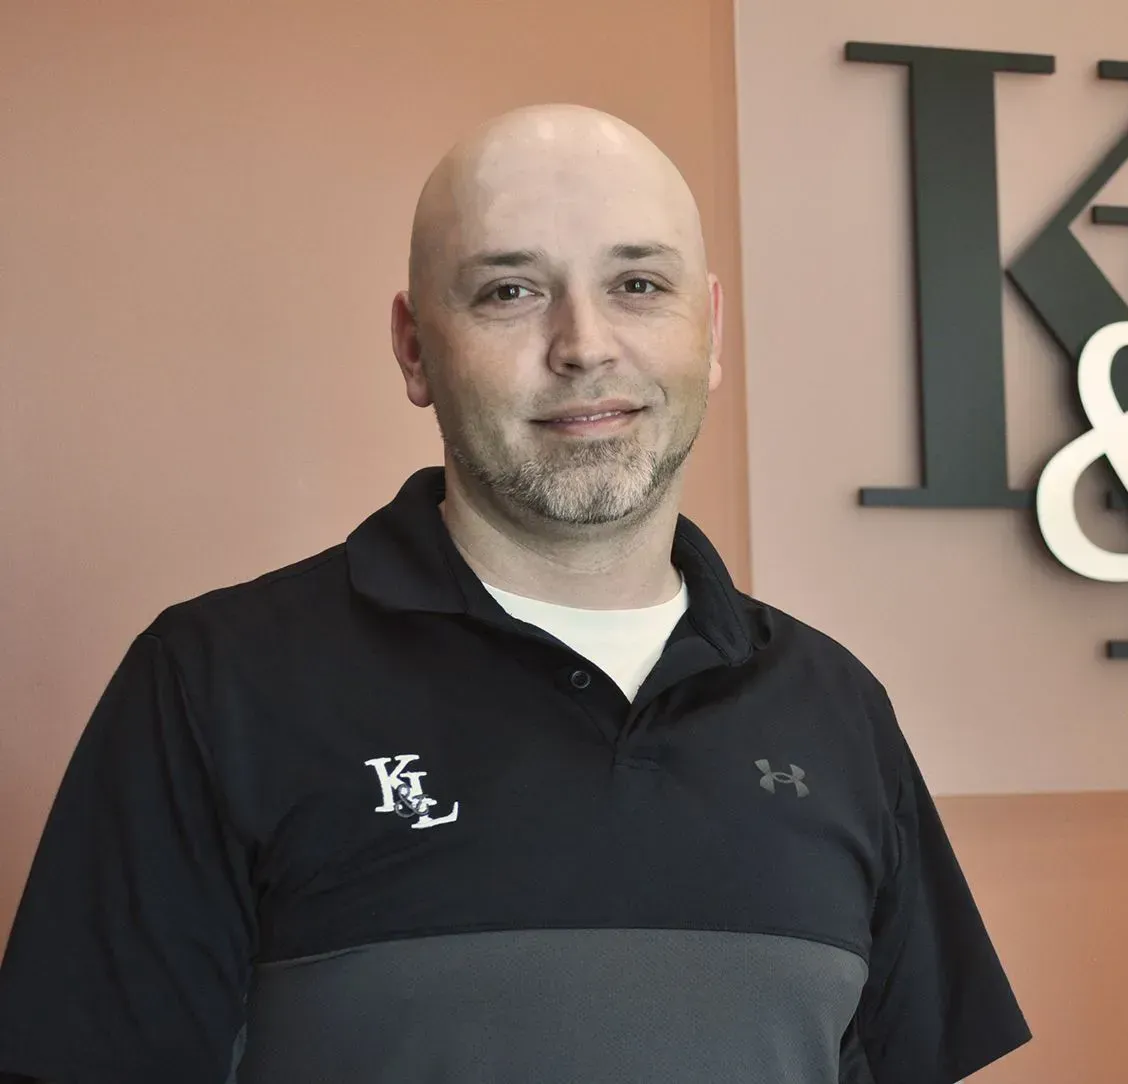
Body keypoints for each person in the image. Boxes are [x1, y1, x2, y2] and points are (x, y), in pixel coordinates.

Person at [0, 105, 1030, 1083]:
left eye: (637, 285)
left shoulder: (834, 706)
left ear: (710, 331)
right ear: (414, 346)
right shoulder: (212, 685)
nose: (584, 344)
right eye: (510, 291)